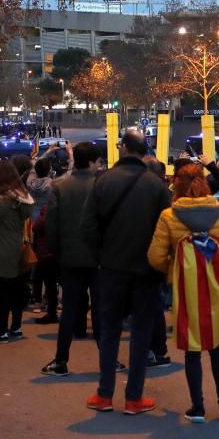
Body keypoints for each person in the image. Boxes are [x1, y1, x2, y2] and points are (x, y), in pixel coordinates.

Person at [81, 131, 170, 415]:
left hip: (111, 268)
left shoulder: (103, 181)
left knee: (109, 332)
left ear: (124, 148)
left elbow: (87, 228)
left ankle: (105, 394)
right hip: (147, 270)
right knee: (142, 332)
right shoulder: (156, 186)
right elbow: (167, 229)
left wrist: (101, 257)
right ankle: (134, 398)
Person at [148, 163, 219, 423]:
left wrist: (175, 269)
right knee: (217, 345)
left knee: (192, 348)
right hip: (218, 287)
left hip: (186, 288)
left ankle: (197, 407)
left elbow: (155, 257)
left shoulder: (169, 215)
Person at [41, 142, 100, 377]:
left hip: (70, 258)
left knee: (69, 311)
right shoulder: (101, 185)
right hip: (98, 258)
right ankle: (109, 359)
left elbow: (51, 226)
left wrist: (58, 252)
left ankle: (61, 359)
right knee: (100, 310)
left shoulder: (60, 187)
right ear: (94, 161)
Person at [0, 160, 34, 345]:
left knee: (2, 294)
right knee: (17, 291)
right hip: (17, 248)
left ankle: (1, 332)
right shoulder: (22, 198)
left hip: (0, 251)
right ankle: (16, 327)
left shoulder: (3, 201)